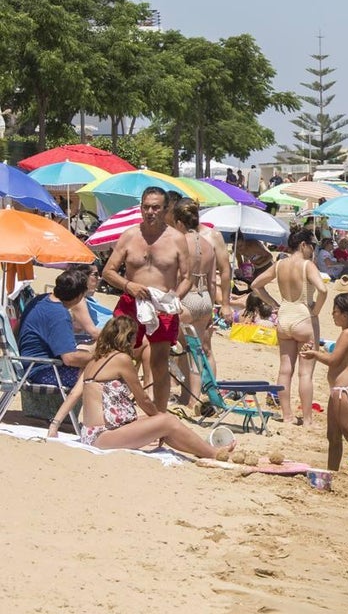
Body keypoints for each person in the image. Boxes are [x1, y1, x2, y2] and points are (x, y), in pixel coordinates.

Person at [46, 316, 229, 459]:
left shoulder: (95, 361)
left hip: (91, 434)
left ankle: (204, 451)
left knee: (162, 424)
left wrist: (54, 426)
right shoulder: (122, 360)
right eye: (135, 336)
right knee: (167, 422)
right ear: (127, 337)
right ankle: (214, 453)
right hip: (104, 435)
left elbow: (73, 395)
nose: (137, 340)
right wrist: (158, 417)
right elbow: (143, 399)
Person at [102, 187, 191, 411]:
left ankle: (160, 415)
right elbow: (108, 271)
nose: (150, 212)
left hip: (163, 306)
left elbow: (188, 277)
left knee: (159, 363)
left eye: (156, 207)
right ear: (140, 207)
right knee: (117, 356)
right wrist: (128, 285)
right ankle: (116, 409)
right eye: (146, 207)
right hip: (131, 303)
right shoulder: (130, 235)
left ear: (165, 209)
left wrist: (175, 299)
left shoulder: (177, 239)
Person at [252, 229, 328, 427]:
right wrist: (316, 311)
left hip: (285, 316)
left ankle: (287, 415)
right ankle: (308, 420)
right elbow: (323, 289)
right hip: (303, 316)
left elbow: (256, 285)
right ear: (303, 245)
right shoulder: (306, 265)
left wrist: (274, 303)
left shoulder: (279, 265)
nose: (313, 250)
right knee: (305, 373)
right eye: (312, 246)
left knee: (285, 369)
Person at [300, 293, 348, 482]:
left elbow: (334, 361)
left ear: (346, 314)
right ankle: (331, 473)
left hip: (344, 391)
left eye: (335, 311)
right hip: (339, 390)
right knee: (333, 436)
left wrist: (315, 354)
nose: (333, 315)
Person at [170, 199, 221, 407]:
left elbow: (175, 275)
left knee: (182, 351)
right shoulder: (209, 245)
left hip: (186, 297)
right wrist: (213, 311)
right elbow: (212, 281)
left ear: (179, 222)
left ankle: (188, 397)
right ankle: (193, 398)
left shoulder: (179, 242)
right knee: (196, 352)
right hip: (204, 299)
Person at [18, 269, 93, 387]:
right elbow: (70, 359)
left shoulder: (40, 299)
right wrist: (101, 359)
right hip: (42, 370)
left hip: (28, 363)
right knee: (101, 373)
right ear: (79, 296)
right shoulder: (59, 315)